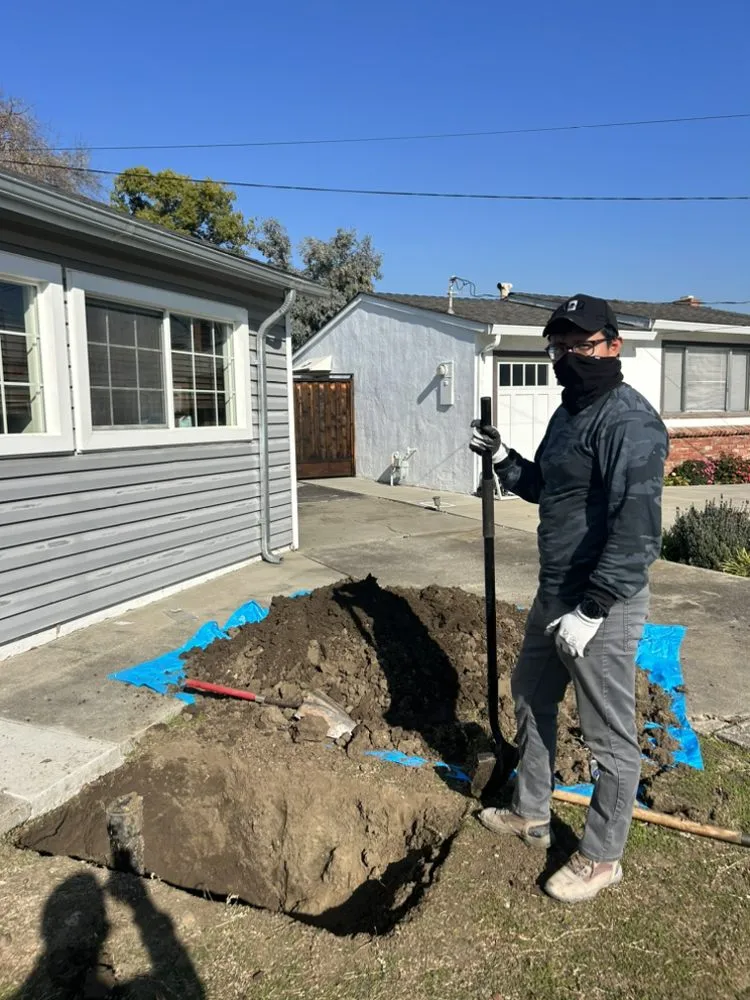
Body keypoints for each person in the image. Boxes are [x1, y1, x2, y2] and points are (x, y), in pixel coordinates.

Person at [470, 293, 668, 904]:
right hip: (555, 591)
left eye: (582, 345)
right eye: (559, 346)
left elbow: (638, 533)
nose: (568, 357)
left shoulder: (629, 422)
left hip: (600, 604)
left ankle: (602, 857)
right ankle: (531, 811)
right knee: (530, 694)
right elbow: (547, 487)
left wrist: (593, 608)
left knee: (608, 737)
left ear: (614, 345)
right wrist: (505, 460)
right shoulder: (567, 414)